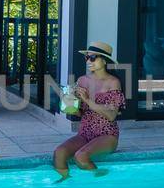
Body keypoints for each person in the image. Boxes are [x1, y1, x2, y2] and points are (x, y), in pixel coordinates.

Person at [53, 43, 126, 178]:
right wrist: (69, 104)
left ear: (104, 60)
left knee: (81, 156)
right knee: (59, 153)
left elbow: (111, 115)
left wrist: (87, 99)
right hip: (85, 133)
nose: (88, 61)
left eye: (93, 57)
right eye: (87, 57)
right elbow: (79, 113)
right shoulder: (82, 80)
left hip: (107, 134)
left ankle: (98, 182)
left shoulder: (113, 82)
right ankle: (65, 181)